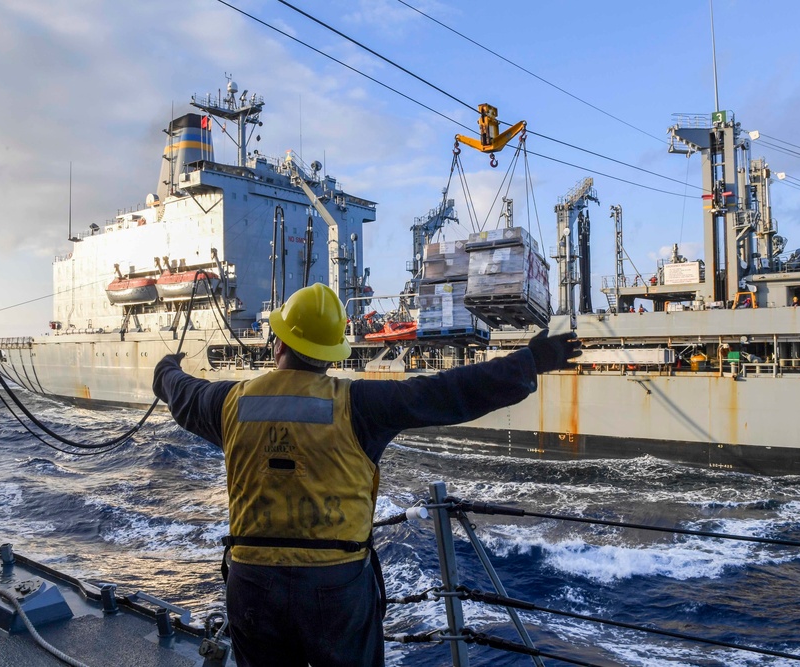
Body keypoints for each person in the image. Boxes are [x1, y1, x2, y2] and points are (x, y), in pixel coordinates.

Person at [152, 283, 582, 667]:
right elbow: (449, 393)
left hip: (252, 585)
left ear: (277, 341)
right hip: (335, 587)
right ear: (331, 353)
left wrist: (166, 369)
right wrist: (530, 361)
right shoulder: (359, 403)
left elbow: (180, 391)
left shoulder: (226, 403)